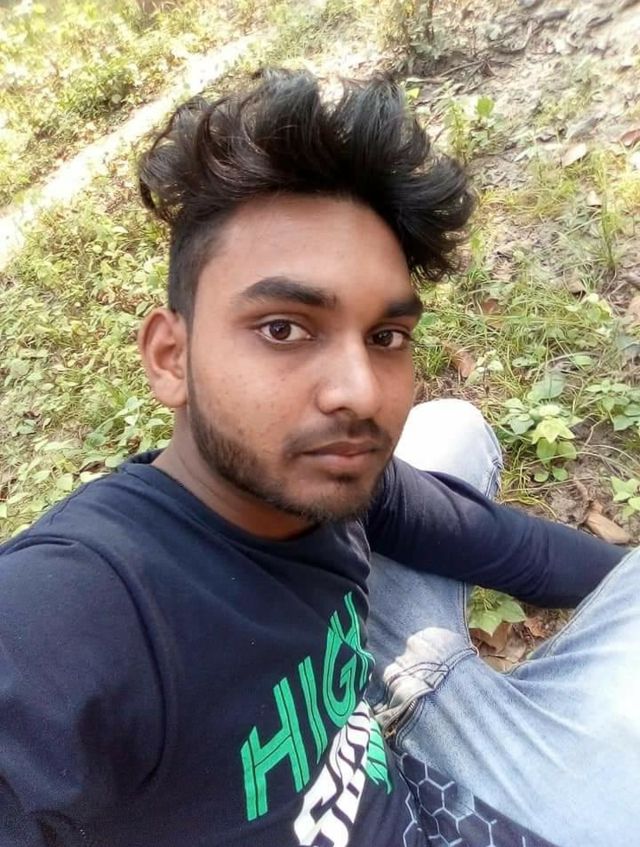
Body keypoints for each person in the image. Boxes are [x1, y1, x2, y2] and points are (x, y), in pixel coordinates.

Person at [0, 69, 637, 847]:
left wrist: (621, 590)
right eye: (284, 328)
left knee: (454, 427)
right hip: (469, 824)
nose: (361, 392)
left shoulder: (324, 478)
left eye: (387, 336)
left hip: (380, 754)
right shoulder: (83, 606)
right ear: (170, 357)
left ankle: (421, 686)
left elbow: (501, 542)